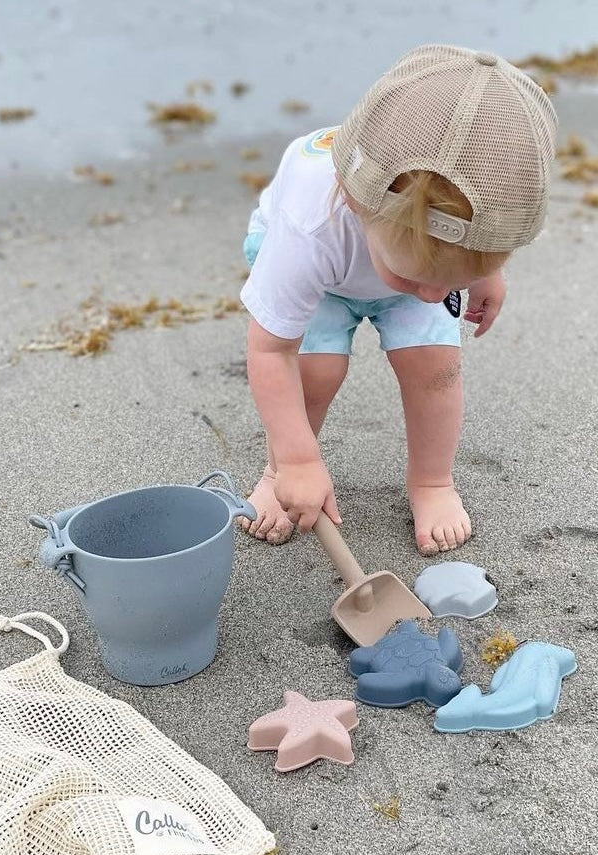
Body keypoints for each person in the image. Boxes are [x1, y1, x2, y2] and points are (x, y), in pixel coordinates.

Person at [237, 44, 557, 555]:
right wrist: (299, 462)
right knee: (317, 372)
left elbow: (446, 265)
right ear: (352, 199)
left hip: (398, 254)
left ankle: (432, 482)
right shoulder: (309, 228)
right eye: (417, 278)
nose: (435, 296)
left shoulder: (449, 248)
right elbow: (270, 350)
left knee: (437, 369)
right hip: (323, 279)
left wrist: (482, 275)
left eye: (449, 280)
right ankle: (278, 470)